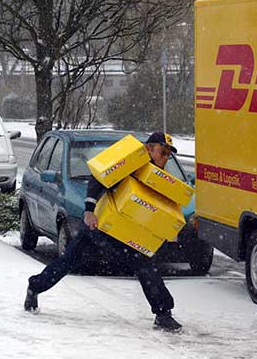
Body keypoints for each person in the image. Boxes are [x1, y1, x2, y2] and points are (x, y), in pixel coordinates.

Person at [24, 132, 183, 332]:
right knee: (66, 263)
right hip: (98, 227)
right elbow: (98, 179)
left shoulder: (157, 176)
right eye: (163, 152)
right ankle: (35, 287)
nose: (165, 157)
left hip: (125, 232)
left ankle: (163, 314)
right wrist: (89, 210)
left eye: (169, 154)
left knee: (145, 266)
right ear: (149, 148)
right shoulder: (132, 162)